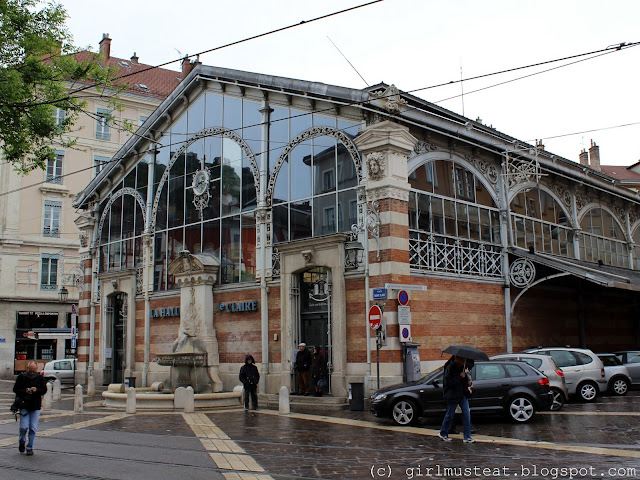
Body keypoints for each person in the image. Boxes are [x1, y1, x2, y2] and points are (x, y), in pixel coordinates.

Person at [13, 361, 48, 455]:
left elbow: (44, 390)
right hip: (24, 404)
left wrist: (36, 390)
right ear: (27, 368)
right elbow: (15, 389)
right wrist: (25, 391)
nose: (32, 372)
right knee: (23, 427)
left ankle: (30, 447)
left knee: (33, 427)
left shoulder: (40, 378)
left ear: (36, 370)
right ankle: (22, 440)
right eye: (30, 370)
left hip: (35, 405)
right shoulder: (21, 377)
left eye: (34, 371)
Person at [438, 355, 474, 443]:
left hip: (462, 394)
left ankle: (467, 436)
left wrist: (466, 377)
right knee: (450, 414)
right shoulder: (449, 368)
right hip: (453, 395)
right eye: (462, 360)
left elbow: (464, 381)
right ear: (457, 359)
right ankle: (443, 432)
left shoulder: (463, 367)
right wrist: (460, 377)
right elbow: (448, 382)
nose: (463, 362)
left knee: (466, 414)